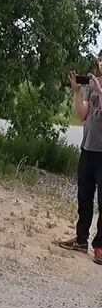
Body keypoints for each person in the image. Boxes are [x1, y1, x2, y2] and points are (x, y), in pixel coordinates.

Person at [59, 53, 102, 264]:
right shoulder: (93, 85)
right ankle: (81, 239)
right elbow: (82, 114)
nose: (101, 64)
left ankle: (100, 247)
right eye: (100, 60)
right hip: (88, 148)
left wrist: (99, 90)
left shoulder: (97, 87)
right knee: (84, 196)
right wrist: (77, 92)